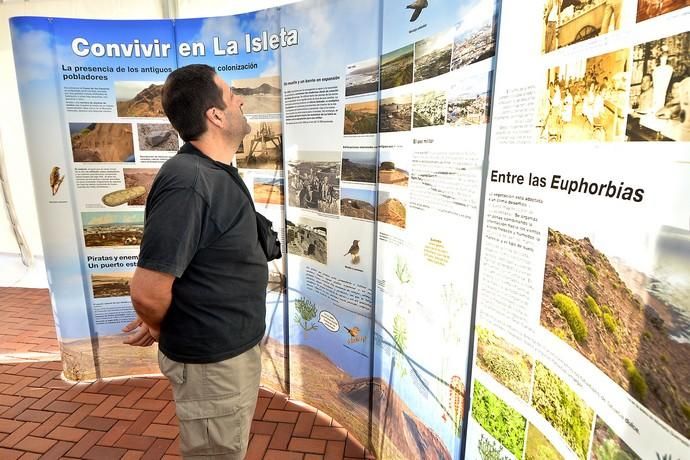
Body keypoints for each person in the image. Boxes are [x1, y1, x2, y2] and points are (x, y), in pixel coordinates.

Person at [123, 64, 267, 460]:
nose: (239, 100)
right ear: (216, 115)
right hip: (212, 366)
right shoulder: (190, 182)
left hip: (227, 354)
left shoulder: (211, 172)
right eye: (231, 93)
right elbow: (148, 290)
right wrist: (157, 323)